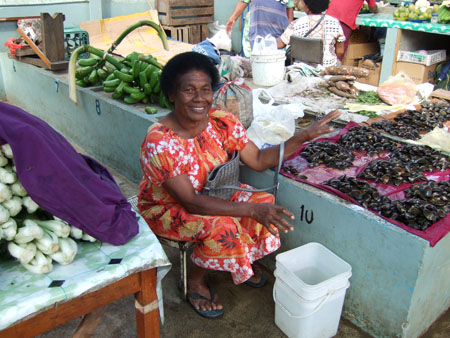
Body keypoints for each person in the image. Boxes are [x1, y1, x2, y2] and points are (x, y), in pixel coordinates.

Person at [137, 51, 340, 318]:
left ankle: (238, 260)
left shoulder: (222, 121)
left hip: (214, 194)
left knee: (262, 201)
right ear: (172, 94)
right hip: (167, 208)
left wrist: (302, 136)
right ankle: (195, 281)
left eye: (205, 90)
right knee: (223, 225)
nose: (200, 99)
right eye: (189, 90)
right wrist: (251, 212)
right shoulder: (160, 142)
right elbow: (191, 202)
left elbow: (256, 159)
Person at [277, 0, 345, 66]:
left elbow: (280, 44)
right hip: (327, 70)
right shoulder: (335, 23)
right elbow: (340, 51)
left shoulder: (296, 24)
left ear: (307, 6)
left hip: (301, 70)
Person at [225, 0, 294, 57]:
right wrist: (233, 18)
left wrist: (288, 30)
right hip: (258, 35)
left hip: (279, 37)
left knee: (276, 64)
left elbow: (289, 9)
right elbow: (244, 2)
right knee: (258, 63)